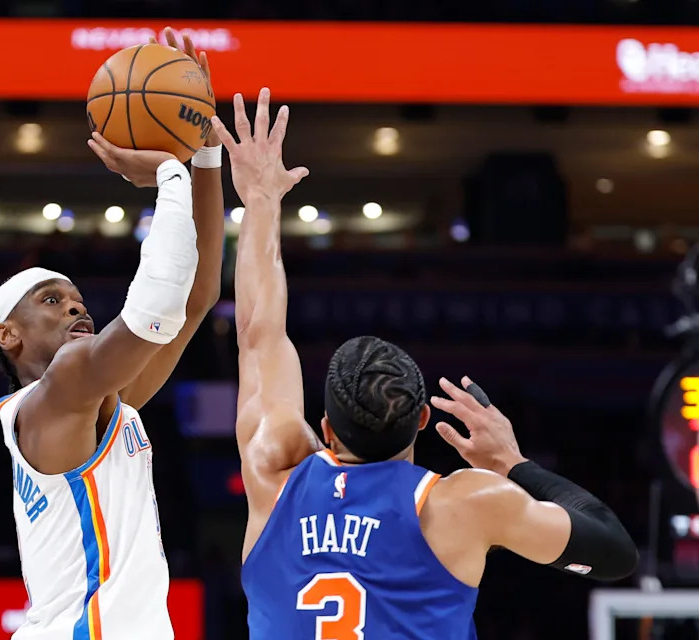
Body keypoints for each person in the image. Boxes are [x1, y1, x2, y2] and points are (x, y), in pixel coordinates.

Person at [209, 88, 639, 639]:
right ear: (420, 421)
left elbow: (258, 333)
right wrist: (512, 463)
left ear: (324, 430)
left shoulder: (274, 472)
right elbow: (613, 549)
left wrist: (261, 199)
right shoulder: (467, 502)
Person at [0, 29, 224, 640]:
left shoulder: (99, 404)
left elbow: (197, 297)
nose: (75, 308)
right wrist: (170, 174)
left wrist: (202, 153)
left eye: (78, 299)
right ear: (8, 335)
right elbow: (154, 315)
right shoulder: (58, 392)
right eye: (52, 300)